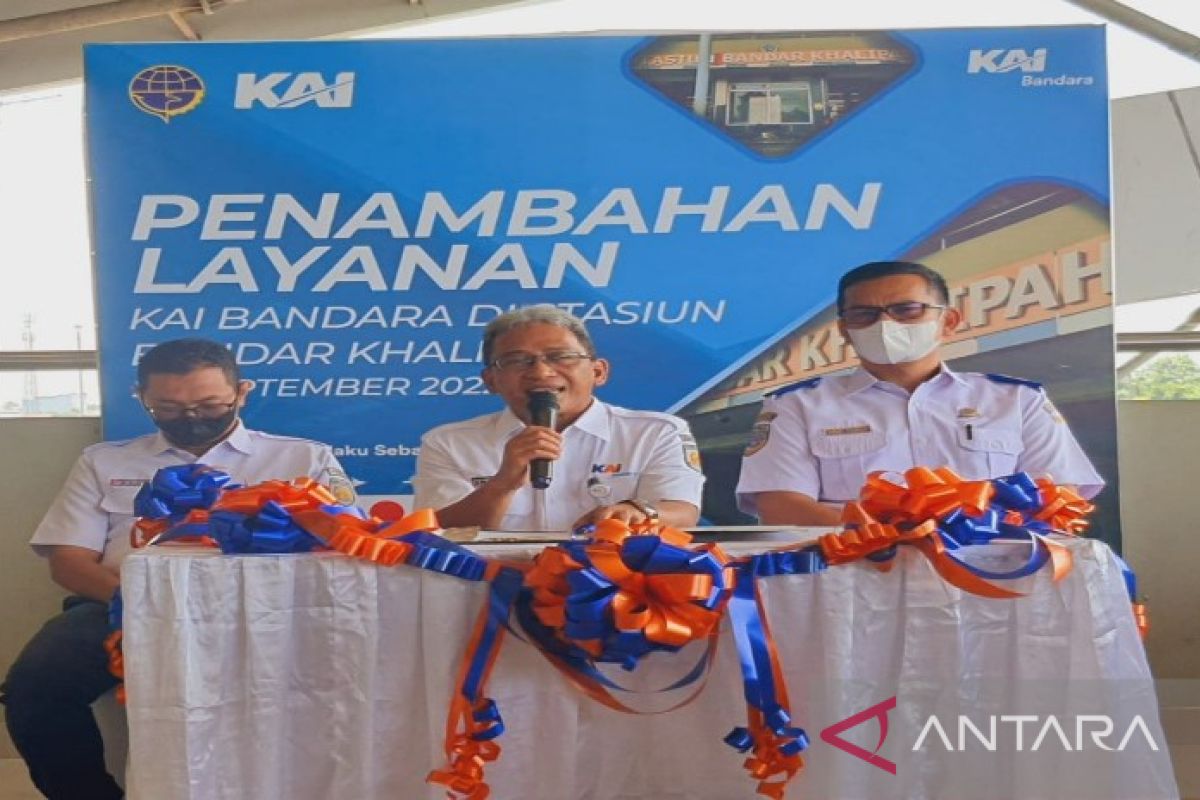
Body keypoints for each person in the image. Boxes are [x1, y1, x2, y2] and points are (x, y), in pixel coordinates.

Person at [1, 338, 353, 800]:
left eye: (209, 404)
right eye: (168, 407)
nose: (191, 418)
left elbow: (343, 549)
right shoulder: (104, 461)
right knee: (35, 687)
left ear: (241, 393)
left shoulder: (304, 460)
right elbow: (69, 561)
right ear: (141, 399)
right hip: (120, 608)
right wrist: (142, 606)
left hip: (270, 613)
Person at [736, 260, 1104, 526]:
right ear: (845, 330)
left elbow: (1059, 497)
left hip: (997, 581)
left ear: (948, 321)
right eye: (864, 315)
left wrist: (964, 533)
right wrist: (898, 534)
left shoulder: (1017, 401)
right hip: (854, 583)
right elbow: (781, 506)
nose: (885, 324)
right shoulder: (796, 405)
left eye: (906, 310)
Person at [412, 305, 704, 532]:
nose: (540, 372)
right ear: (490, 380)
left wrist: (639, 512)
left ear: (598, 372)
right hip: (492, 596)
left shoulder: (655, 432)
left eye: (559, 356)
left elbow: (682, 511)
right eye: (516, 361)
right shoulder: (448, 442)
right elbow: (437, 531)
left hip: (613, 593)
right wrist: (501, 485)